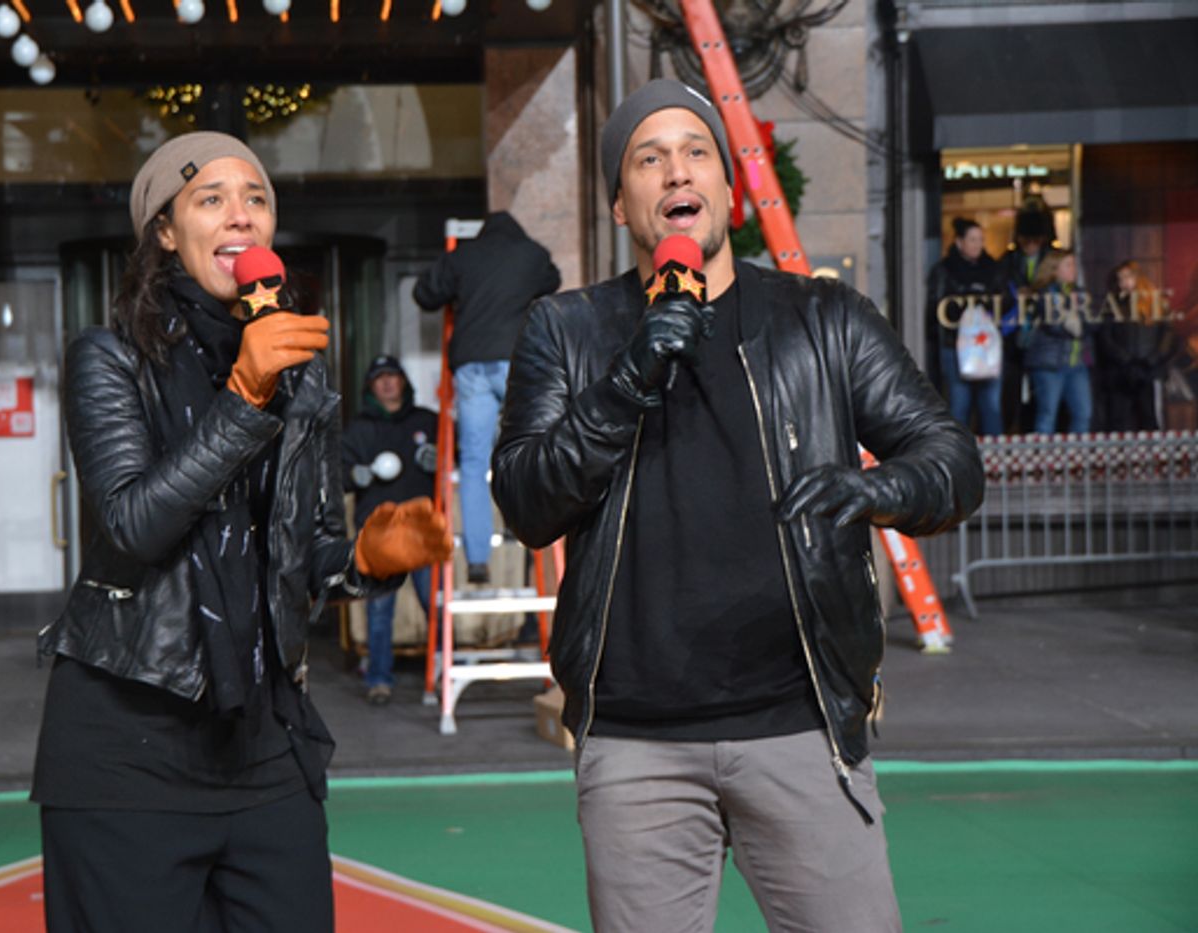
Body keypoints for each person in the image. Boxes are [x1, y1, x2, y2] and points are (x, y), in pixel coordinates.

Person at [491, 79, 983, 933]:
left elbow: (950, 461)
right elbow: (527, 501)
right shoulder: (565, 331)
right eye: (648, 158)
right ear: (620, 200)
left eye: (696, 152)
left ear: (728, 188)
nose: (675, 170)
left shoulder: (822, 317)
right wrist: (628, 377)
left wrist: (872, 490)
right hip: (636, 740)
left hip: (799, 724)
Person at [31, 132, 451, 933]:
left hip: (264, 743)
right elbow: (132, 524)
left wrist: (367, 558)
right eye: (211, 198)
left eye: (257, 198)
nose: (242, 217)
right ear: (163, 230)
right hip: (127, 750)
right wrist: (244, 396)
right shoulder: (111, 358)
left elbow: (309, 552)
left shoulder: (300, 371)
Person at [412, 211, 560, 584]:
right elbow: (552, 283)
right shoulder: (532, 254)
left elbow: (425, 294)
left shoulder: (463, 256)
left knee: (475, 463)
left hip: (473, 365)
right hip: (517, 362)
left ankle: (477, 559)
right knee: (523, 449)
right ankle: (519, 525)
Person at [341, 354, 439, 705]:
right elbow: (336, 474)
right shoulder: (358, 429)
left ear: (403, 382)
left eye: (392, 376)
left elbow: (458, 455)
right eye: (379, 377)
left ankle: (440, 674)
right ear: (371, 386)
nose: (386, 383)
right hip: (378, 531)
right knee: (380, 609)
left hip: (421, 529)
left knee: (434, 604)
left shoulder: (428, 422)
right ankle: (379, 679)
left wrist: (440, 455)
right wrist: (355, 475)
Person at [926, 217, 1005, 435]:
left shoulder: (993, 269)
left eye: (980, 239)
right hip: (955, 347)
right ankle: (960, 457)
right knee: (960, 405)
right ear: (959, 242)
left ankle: (994, 459)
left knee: (991, 406)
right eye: (972, 239)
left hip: (987, 346)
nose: (977, 244)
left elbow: (1005, 304)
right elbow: (935, 310)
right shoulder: (944, 270)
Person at [1097, 260, 1174, 431]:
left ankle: (1154, 455)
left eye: (1127, 276)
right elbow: (1106, 337)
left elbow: (1167, 334)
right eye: (1120, 278)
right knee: (1119, 419)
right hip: (1121, 371)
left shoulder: (1156, 302)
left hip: (1150, 370)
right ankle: (1119, 456)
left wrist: (1152, 360)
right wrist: (1125, 360)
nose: (1124, 282)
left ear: (1138, 277)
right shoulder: (1112, 304)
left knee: (1151, 417)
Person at [1000, 196, 1055, 432]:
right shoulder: (1009, 260)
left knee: (1042, 395)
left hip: (1043, 334)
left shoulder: (1052, 259)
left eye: (1035, 239)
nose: (1030, 244)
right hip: (1014, 335)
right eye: (1027, 239)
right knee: (1011, 392)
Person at [1025, 250, 1094, 434]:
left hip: (1077, 364)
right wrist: (1074, 319)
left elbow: (1091, 324)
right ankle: (1043, 460)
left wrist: (1075, 320)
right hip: (1049, 364)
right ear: (1054, 269)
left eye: (1074, 264)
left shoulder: (1080, 293)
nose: (1073, 269)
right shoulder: (1043, 294)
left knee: (1083, 414)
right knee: (1047, 416)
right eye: (1068, 264)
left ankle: (1077, 459)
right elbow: (1054, 325)